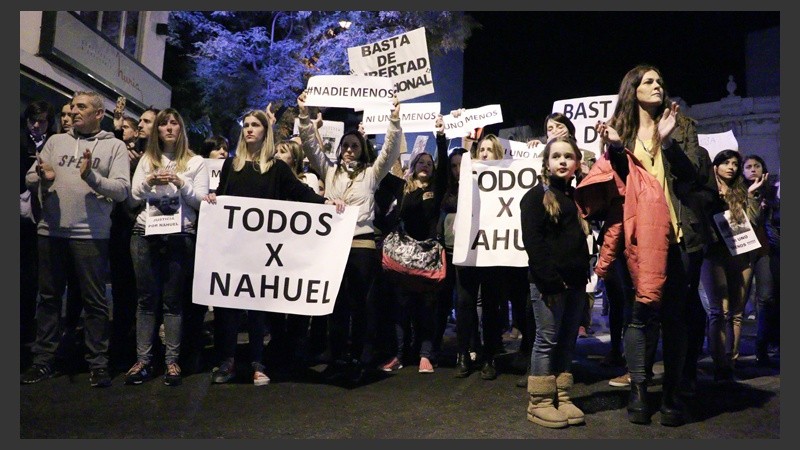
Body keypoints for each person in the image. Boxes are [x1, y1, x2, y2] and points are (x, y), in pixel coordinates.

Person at [577, 64, 710, 427]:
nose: (657, 85)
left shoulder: (682, 127)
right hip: (633, 239)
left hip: (679, 235)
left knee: (675, 319)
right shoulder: (619, 131)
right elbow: (616, 184)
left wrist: (667, 143)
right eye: (648, 81)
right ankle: (639, 388)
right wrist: (617, 150)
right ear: (632, 88)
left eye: (660, 82)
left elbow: (694, 176)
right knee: (639, 318)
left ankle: (670, 393)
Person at [21, 91, 130, 387]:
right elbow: (31, 177)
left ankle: (98, 363)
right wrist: (43, 176)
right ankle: (43, 360)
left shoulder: (115, 147)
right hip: (51, 231)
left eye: (82, 107)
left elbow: (121, 190)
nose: (74, 111)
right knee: (48, 299)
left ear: (99, 114)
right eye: (73, 106)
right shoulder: (56, 141)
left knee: (94, 302)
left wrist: (91, 177)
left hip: (90, 234)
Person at [297, 91, 403, 385]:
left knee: (360, 304)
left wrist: (394, 119)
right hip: (332, 246)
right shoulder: (329, 172)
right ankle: (337, 356)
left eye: (354, 146)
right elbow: (309, 147)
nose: (349, 150)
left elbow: (391, 151)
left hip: (362, 247)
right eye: (345, 145)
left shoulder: (371, 174)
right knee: (336, 305)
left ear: (362, 149)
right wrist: (305, 115)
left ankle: (358, 356)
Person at [123, 108, 209, 387]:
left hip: (179, 234)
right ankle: (143, 361)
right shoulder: (148, 159)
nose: (169, 128)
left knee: (173, 301)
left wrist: (179, 181)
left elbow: (201, 202)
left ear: (181, 129)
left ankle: (172, 361)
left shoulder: (195, 162)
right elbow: (133, 199)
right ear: (157, 131)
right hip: (146, 232)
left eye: (174, 123)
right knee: (146, 301)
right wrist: (149, 181)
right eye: (164, 124)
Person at [520, 136, 590, 428]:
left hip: (575, 284)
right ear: (546, 163)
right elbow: (533, 244)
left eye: (568, 157)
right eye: (557, 156)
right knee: (547, 341)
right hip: (549, 284)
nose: (563, 161)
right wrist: (549, 282)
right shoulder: (535, 197)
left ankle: (563, 395)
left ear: (576, 163)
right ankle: (540, 402)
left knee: (567, 341)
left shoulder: (575, 197)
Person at [382, 115, 450, 374]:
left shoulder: (437, 187)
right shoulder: (402, 188)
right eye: (420, 161)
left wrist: (440, 137)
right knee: (401, 308)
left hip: (427, 257)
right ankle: (398, 355)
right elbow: (379, 165)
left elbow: (443, 165)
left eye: (429, 163)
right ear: (412, 165)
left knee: (427, 309)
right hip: (402, 257)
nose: (425, 165)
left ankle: (425, 355)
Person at [700, 150, 763, 382]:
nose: (732, 167)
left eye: (735, 163)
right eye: (726, 163)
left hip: (741, 254)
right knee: (719, 311)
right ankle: (719, 363)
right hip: (715, 254)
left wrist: (752, 196)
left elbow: (755, 222)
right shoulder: (708, 190)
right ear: (715, 166)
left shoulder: (741, 192)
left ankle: (731, 361)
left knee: (736, 313)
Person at [20, 100, 56, 363]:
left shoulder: (55, 143)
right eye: (32, 120)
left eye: (41, 120)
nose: (36, 125)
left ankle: (26, 328)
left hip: (41, 217)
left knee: (33, 275)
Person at [742, 155, 779, 366]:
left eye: (757, 166)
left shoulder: (772, 191)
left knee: (766, 298)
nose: (753, 170)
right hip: (743, 250)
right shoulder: (738, 191)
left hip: (764, 249)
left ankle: (762, 346)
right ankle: (731, 351)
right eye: (748, 167)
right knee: (740, 299)